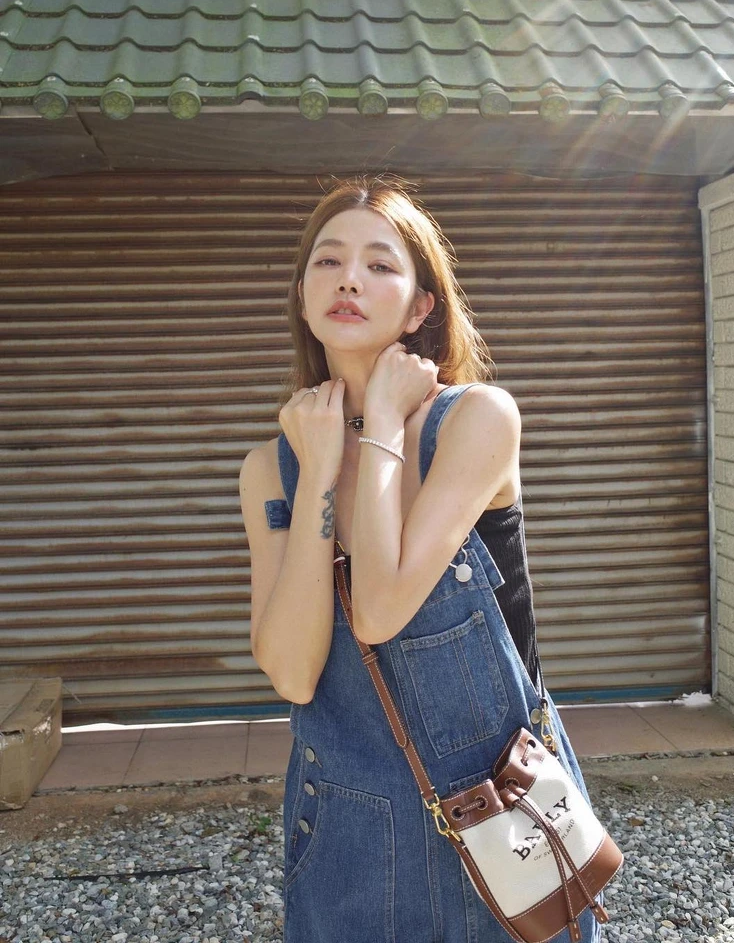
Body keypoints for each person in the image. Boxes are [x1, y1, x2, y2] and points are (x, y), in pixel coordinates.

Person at [238, 176, 604, 942]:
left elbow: (378, 608)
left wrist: (380, 427)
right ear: (302, 295)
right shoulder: (272, 467)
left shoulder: (477, 420)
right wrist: (317, 473)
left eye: (379, 264)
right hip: (341, 831)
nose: (348, 278)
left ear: (419, 307)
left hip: (503, 815)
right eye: (328, 261)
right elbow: (292, 673)